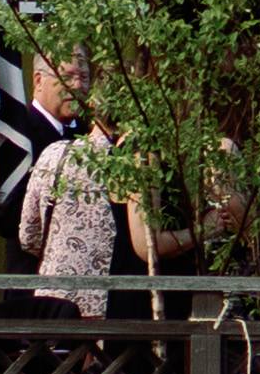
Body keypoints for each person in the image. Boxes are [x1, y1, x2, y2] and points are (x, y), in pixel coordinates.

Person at [9, 53, 156, 303]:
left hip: (105, 293)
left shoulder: (94, 140)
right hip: (34, 289)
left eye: (84, 77)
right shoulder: (17, 135)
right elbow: (15, 225)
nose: (78, 86)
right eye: (67, 77)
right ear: (38, 80)